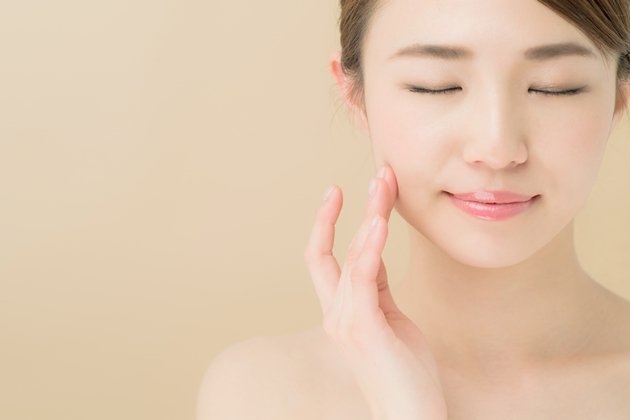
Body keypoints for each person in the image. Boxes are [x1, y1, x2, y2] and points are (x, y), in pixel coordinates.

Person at [197, 0, 630, 418]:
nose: (496, 149)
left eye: (555, 86)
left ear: (619, 97)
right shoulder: (261, 396)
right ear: (355, 95)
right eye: (435, 85)